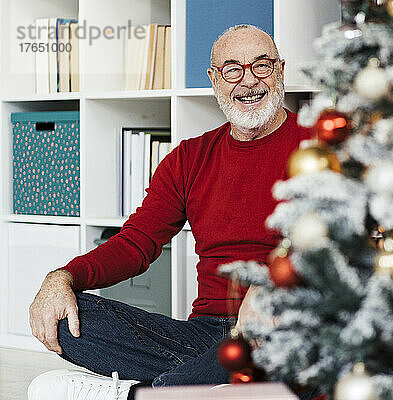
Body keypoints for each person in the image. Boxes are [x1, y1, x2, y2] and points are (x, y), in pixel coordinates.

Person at [27, 24, 315, 400]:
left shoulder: (318, 148)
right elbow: (135, 243)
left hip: (288, 322)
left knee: (294, 348)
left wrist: (273, 290)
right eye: (233, 70)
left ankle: (140, 394)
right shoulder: (188, 158)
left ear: (280, 72)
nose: (249, 82)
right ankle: (204, 385)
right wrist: (63, 277)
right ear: (214, 80)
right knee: (70, 319)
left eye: (261, 66)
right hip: (206, 333)